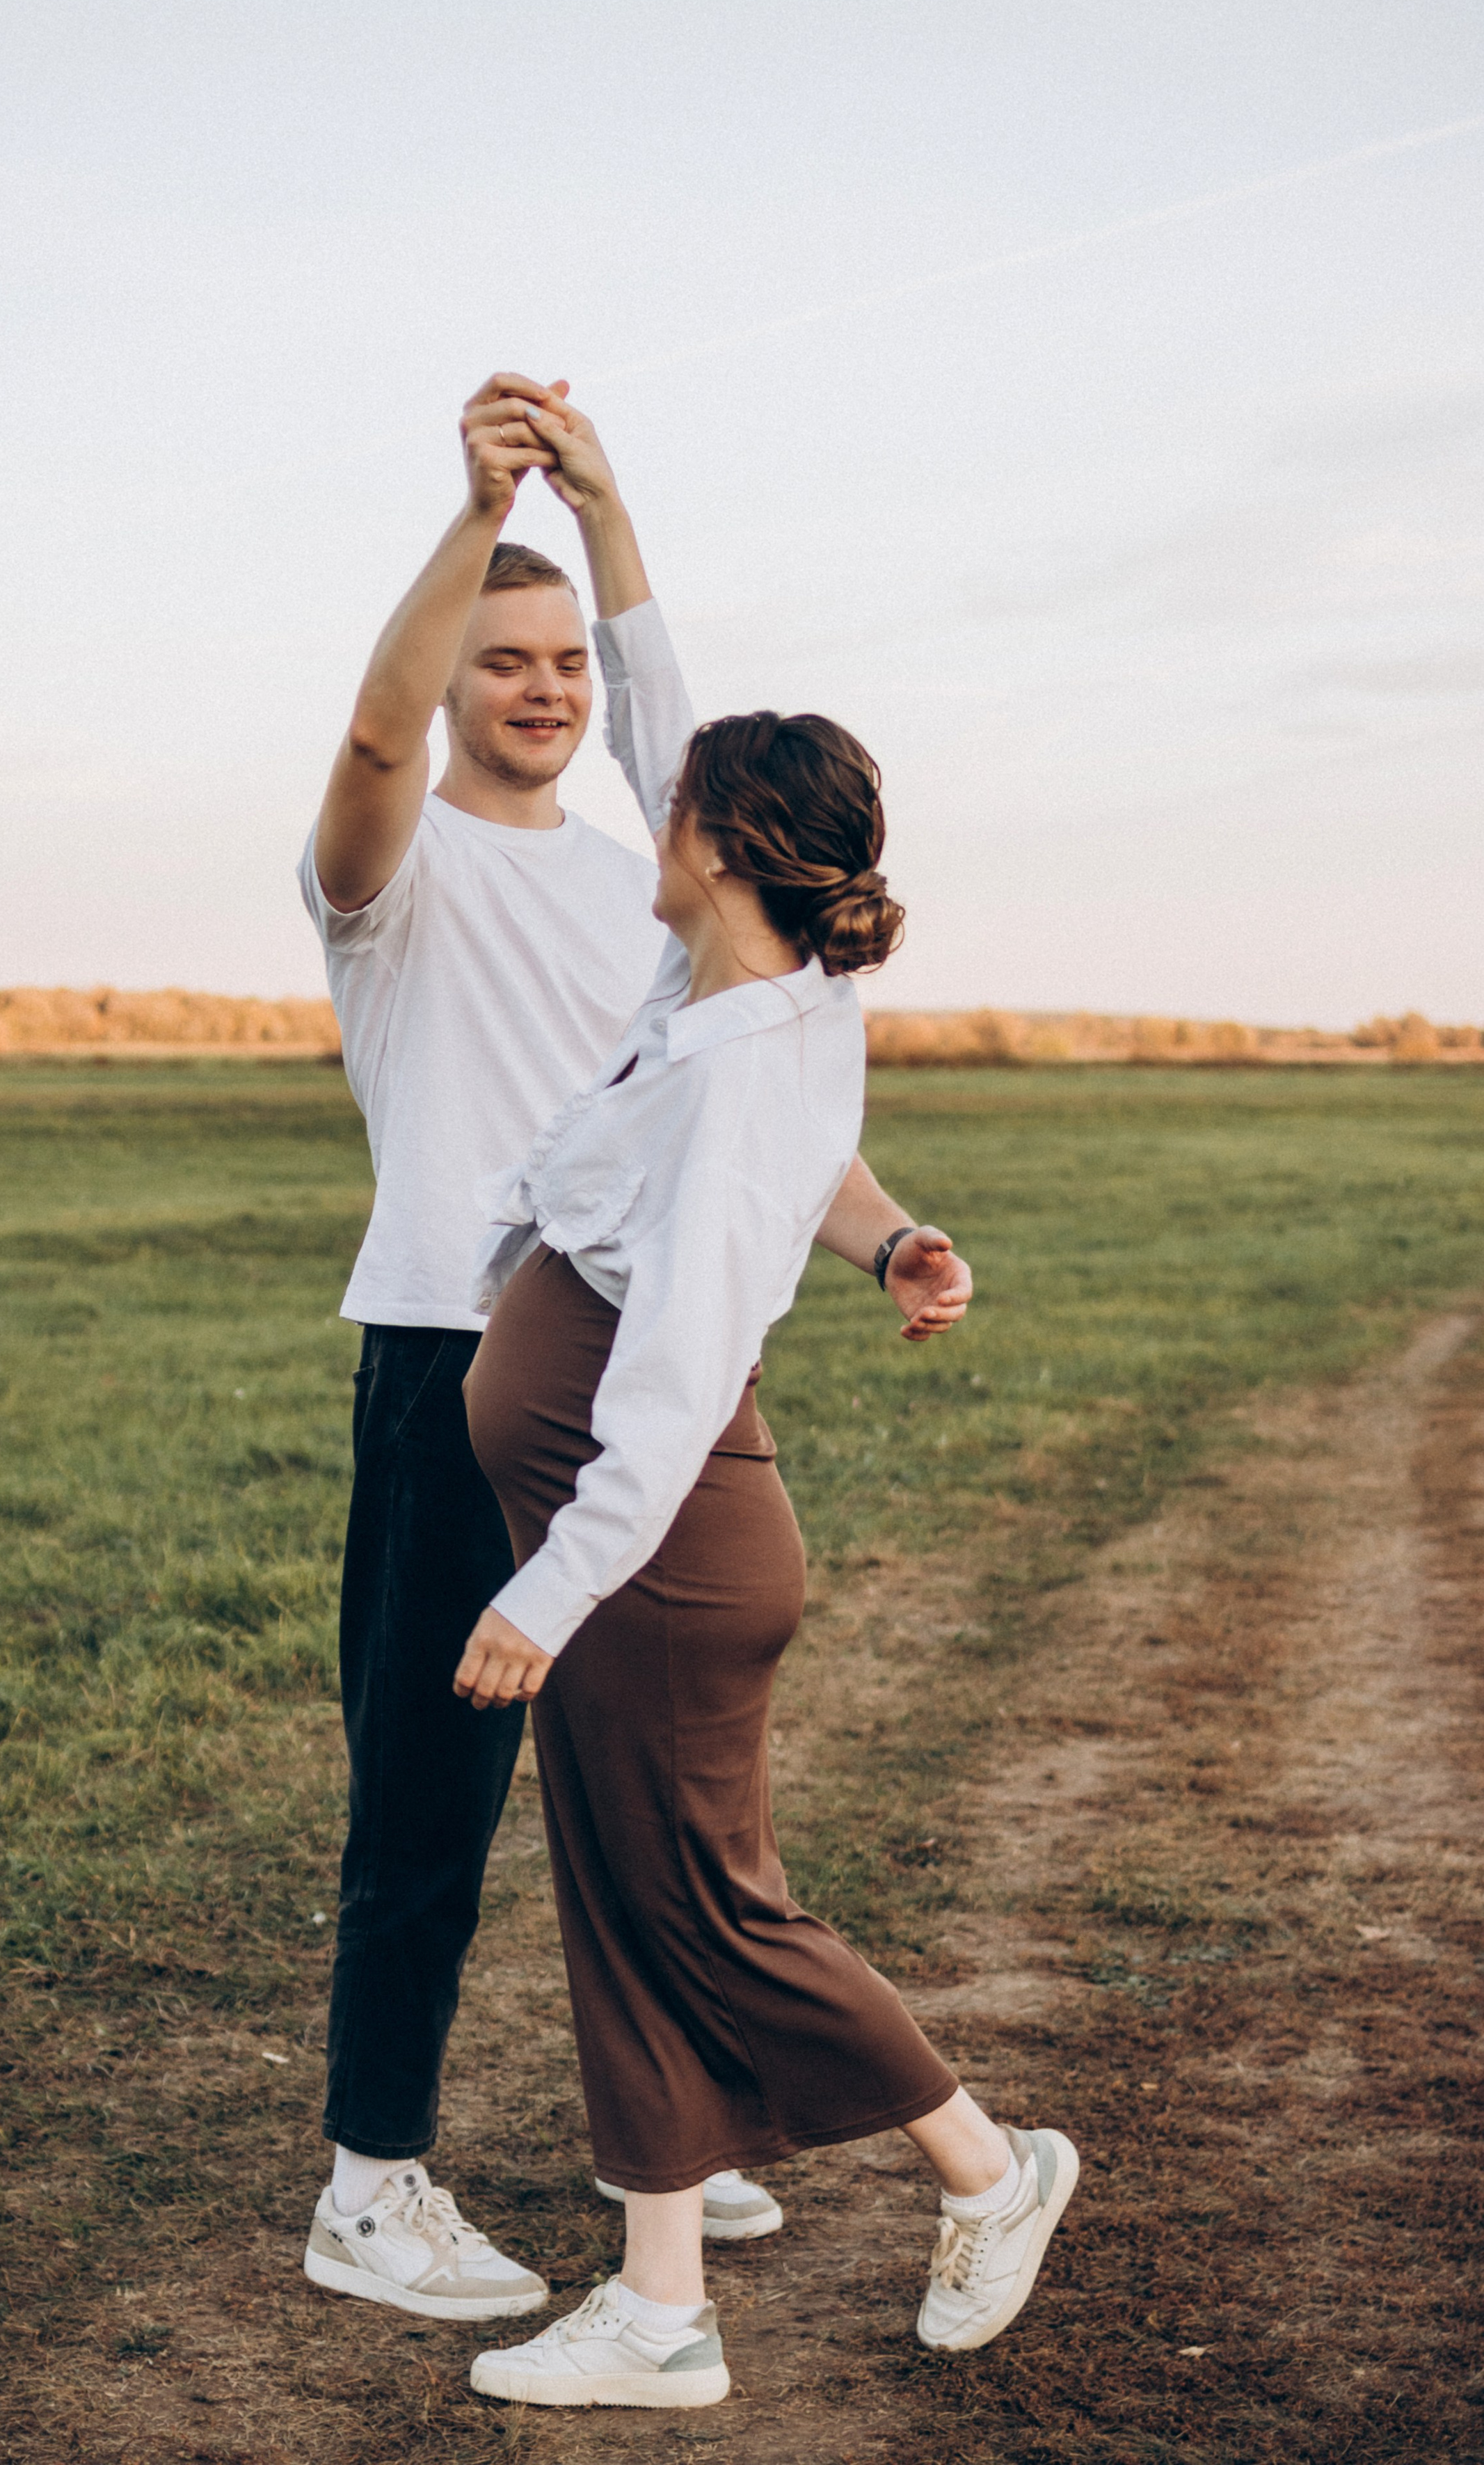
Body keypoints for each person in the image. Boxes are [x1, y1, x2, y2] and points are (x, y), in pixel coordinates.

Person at [297, 376, 973, 2324]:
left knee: (638, 1800)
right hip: (451, 1358)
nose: (543, 687)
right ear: (445, 678)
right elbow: (364, 726)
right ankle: (374, 2183)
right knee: (431, 1781)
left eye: (566, 661)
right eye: (498, 660)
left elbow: (757, 1119)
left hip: (628, 1371)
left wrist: (889, 1236)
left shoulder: (648, 886)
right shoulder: (387, 867)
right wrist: (479, 510)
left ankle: (678, 2141)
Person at [456, 704, 1078, 2409]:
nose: (645, 814)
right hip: (646, 1532)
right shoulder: (745, 998)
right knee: (632, 1902)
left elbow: (666, 1377)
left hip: (648, 1539)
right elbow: (672, 709)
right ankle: (659, 2306)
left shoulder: (739, 1054)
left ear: (722, 848)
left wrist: (547, 1588)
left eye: (672, 808)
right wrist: (597, 511)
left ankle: (986, 2167)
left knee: (714, 1916)